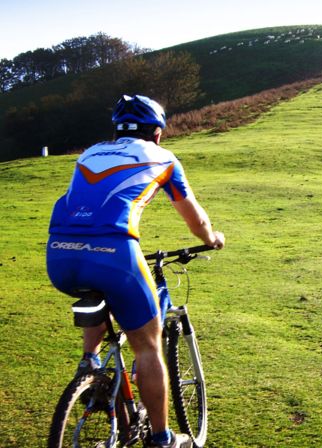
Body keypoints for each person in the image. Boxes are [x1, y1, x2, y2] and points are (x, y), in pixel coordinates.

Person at [46, 94, 225, 448]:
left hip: (60, 255)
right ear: (157, 132)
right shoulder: (164, 158)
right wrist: (212, 238)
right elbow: (195, 217)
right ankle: (160, 438)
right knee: (147, 347)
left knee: (96, 292)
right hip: (114, 252)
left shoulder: (90, 153)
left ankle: (91, 367)